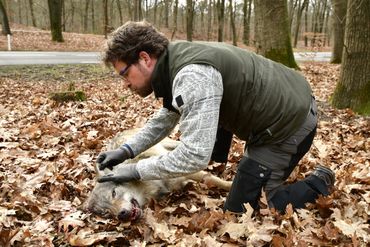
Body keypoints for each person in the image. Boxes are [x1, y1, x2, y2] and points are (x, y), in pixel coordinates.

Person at [96, 21, 335, 213]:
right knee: (243, 198)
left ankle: (319, 182)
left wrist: (136, 170)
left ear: (144, 58)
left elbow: (193, 157)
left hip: (289, 124)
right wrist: (127, 150)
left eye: (124, 74)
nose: (125, 83)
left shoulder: (192, 75)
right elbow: (167, 117)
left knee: (247, 208)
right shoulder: (174, 62)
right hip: (280, 110)